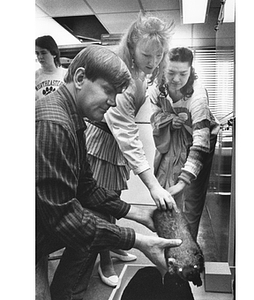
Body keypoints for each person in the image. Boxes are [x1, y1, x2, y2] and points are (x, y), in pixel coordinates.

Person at [36, 45, 182, 300]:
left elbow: (87, 188)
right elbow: (64, 220)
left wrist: (138, 214)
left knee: (97, 213)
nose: (114, 102)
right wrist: (137, 240)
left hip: (44, 225)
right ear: (80, 78)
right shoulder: (53, 124)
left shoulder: (73, 118)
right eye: (108, 91)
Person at [84, 12, 177, 287]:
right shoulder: (122, 76)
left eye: (159, 55)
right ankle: (105, 260)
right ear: (132, 48)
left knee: (112, 196)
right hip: (102, 142)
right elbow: (126, 133)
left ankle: (114, 243)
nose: (153, 62)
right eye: (147, 55)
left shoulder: (140, 73)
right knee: (100, 203)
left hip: (113, 143)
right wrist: (152, 185)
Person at [148, 47, 220, 241]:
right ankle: (170, 241)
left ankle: (188, 252)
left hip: (201, 142)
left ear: (191, 71)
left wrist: (183, 181)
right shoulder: (156, 89)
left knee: (192, 200)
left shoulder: (197, 96)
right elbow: (153, 116)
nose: (177, 79)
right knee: (169, 191)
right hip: (175, 138)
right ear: (163, 68)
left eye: (183, 74)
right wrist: (168, 120)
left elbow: (201, 142)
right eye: (171, 72)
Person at [35, 35, 67, 100]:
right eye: (37, 53)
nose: (40, 57)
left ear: (53, 53)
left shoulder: (66, 74)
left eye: (43, 53)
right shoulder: (35, 76)